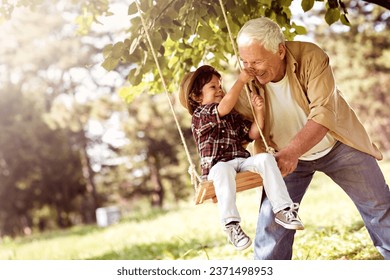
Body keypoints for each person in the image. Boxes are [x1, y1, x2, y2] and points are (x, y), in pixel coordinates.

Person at [236, 17, 390, 259]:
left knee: (380, 209)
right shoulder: (247, 80)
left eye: (255, 61)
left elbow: (324, 113)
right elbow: (236, 129)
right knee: (272, 228)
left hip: (338, 146)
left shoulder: (311, 57)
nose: (249, 69)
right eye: (244, 61)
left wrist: (292, 153)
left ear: (280, 50)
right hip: (283, 157)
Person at [179, 65, 304, 251]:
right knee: (223, 169)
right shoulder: (200, 115)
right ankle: (231, 225)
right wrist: (241, 80)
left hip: (241, 161)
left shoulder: (231, 115)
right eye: (213, 87)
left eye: (220, 85)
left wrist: (259, 111)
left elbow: (253, 133)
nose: (219, 89)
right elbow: (223, 107)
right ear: (197, 97)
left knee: (265, 159)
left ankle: (283, 210)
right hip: (218, 167)